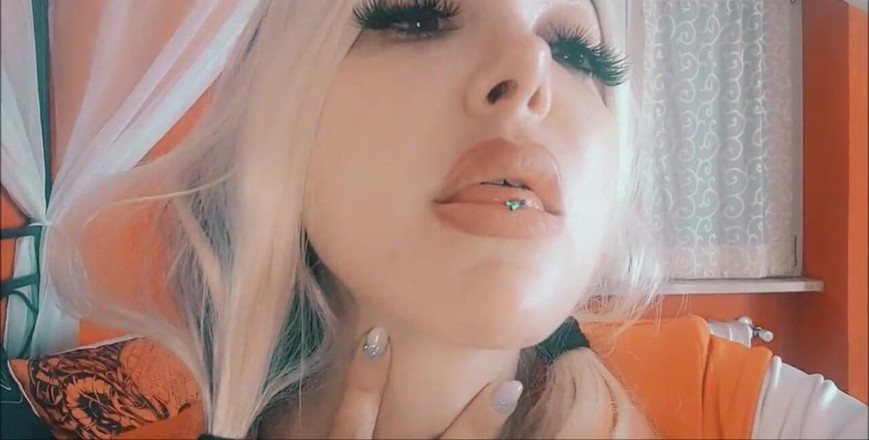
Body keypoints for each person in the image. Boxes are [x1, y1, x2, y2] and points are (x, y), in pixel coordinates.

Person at [47, 0, 867, 438]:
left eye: (577, 50)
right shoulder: (114, 418)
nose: (529, 71)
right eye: (415, 15)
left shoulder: (737, 405)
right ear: (274, 117)